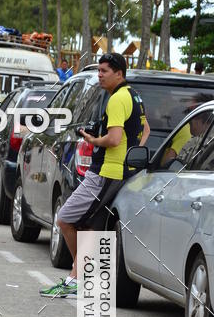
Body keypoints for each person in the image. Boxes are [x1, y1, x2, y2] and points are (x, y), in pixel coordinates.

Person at [40, 52, 150, 298]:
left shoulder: (117, 99)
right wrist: (133, 156)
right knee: (90, 224)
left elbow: (113, 139)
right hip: (118, 171)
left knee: (65, 218)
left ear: (119, 73)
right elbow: (146, 130)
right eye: (99, 71)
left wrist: (92, 139)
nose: (99, 75)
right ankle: (76, 278)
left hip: (106, 172)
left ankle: (78, 276)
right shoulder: (134, 95)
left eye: (104, 71)